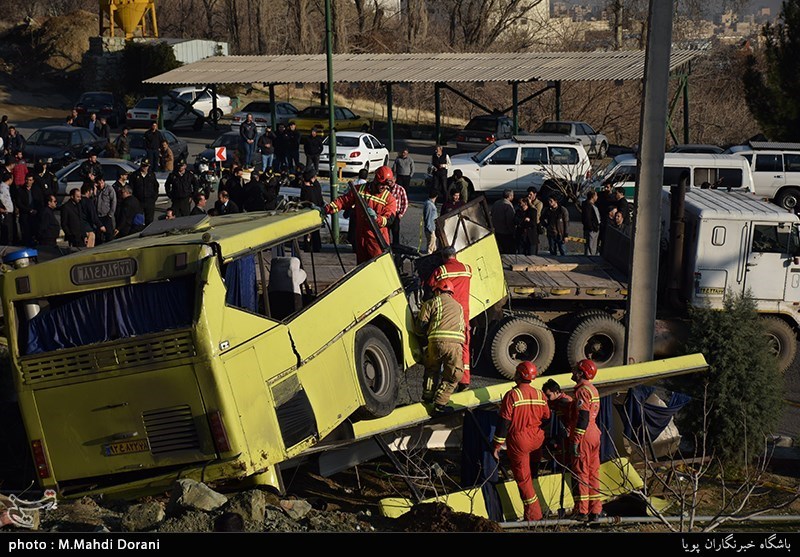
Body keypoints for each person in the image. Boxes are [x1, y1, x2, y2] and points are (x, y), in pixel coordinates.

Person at [492, 361, 551, 522]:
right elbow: (547, 417)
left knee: (523, 480)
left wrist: (496, 446)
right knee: (532, 474)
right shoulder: (540, 394)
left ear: (520, 375)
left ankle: (533, 516)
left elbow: (504, 423)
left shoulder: (513, 395)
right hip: (537, 438)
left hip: (520, 441)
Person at [325, 165, 397, 264]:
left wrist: (377, 218)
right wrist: (326, 209)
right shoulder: (359, 190)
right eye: (382, 184)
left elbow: (389, 219)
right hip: (361, 239)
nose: (384, 187)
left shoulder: (389, 199)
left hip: (377, 242)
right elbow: (343, 201)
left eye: (386, 185)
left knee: (378, 269)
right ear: (375, 180)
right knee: (361, 268)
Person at [415, 278, 465, 415]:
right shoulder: (459, 307)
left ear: (437, 291)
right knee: (452, 375)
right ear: (451, 293)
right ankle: (440, 405)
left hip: (435, 343)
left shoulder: (431, 303)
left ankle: (427, 398)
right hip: (455, 345)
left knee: (431, 370)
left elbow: (420, 327)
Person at [426, 245, 472, 391]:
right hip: (463, 312)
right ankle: (464, 379)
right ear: (455, 255)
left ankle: (437, 384)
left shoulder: (441, 271)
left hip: (446, 311)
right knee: (463, 345)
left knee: (442, 346)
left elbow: (430, 286)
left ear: (444, 257)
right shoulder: (467, 269)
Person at [568, 358, 603, 522]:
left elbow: (583, 416)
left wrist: (576, 439)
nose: (573, 372)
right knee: (593, 473)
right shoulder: (593, 389)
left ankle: (582, 512)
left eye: (576, 370)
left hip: (584, 434)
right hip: (594, 433)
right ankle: (595, 510)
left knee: (581, 473)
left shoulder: (582, 391)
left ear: (581, 373)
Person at [299, 167, 324, 252]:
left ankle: (313, 246)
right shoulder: (307, 189)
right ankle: (310, 246)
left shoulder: (314, 187)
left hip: (314, 213)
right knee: (310, 233)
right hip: (310, 214)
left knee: (314, 232)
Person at [129, 159, 159, 226]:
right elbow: (131, 188)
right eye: (143, 166)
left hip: (149, 201)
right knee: (138, 220)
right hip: (139, 201)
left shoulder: (151, 175)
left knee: (150, 220)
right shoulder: (134, 175)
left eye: (146, 166)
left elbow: (156, 186)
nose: (145, 168)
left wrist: (154, 197)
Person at [16, 174, 43, 246]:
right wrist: (29, 210)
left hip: (35, 215)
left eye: (30, 180)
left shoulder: (36, 190)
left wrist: (37, 210)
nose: (28, 182)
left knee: (34, 233)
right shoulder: (20, 190)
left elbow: (40, 201)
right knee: (26, 234)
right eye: (27, 180)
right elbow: (19, 203)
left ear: (33, 181)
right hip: (25, 215)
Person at [79, 182, 104, 248]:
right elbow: (93, 216)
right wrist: (101, 225)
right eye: (92, 190)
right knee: (89, 249)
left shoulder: (78, 201)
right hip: (88, 228)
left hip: (80, 228)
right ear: (88, 191)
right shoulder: (88, 202)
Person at [490, 189, 516, 254]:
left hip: (497, 230)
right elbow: (510, 220)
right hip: (506, 232)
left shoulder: (496, 203)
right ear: (510, 196)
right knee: (508, 251)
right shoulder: (508, 205)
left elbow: (491, 214)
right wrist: (513, 231)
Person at [94, 176, 116, 244]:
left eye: (102, 183)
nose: (101, 185)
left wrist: (110, 214)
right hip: (98, 215)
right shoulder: (96, 189)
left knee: (109, 235)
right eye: (99, 183)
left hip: (106, 215)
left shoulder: (109, 189)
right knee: (98, 236)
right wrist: (94, 192)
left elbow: (114, 201)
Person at [581, 189, 601, 255]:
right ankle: (589, 259)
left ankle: (592, 257)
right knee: (590, 246)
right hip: (591, 229)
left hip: (595, 228)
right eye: (596, 196)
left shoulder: (594, 205)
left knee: (593, 246)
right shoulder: (587, 205)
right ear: (593, 196)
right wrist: (591, 227)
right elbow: (587, 218)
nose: (597, 197)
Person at [389, 176, 408, 246]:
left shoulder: (400, 189)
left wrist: (401, 214)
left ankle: (396, 251)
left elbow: (405, 203)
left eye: (391, 180)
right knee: (386, 234)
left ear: (395, 179)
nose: (390, 182)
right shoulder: (386, 188)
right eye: (389, 180)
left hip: (395, 214)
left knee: (395, 233)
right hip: (386, 214)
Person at [422, 188, 438, 255]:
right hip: (430, 228)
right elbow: (428, 217)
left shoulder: (428, 203)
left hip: (431, 227)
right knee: (430, 246)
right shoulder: (429, 205)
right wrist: (430, 229)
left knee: (433, 245)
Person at [0, 171, 14, 244]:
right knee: (6, 232)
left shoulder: (6, 188)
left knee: (9, 231)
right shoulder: (2, 188)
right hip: (5, 213)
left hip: (8, 212)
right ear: (9, 179)